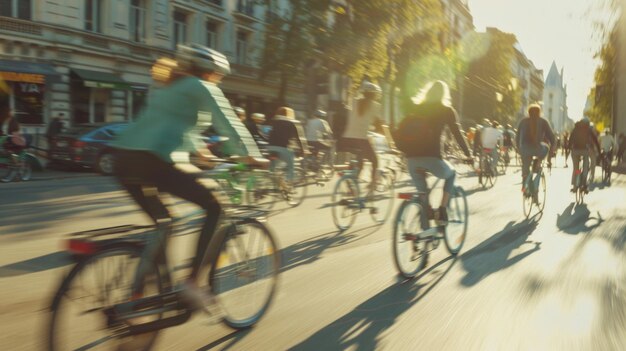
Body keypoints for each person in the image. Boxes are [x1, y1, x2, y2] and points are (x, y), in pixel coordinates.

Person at [111, 44, 263, 310]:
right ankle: (192, 283)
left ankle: (139, 295)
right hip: (153, 160)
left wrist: (200, 151)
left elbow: (176, 123)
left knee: (164, 223)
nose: (219, 80)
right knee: (215, 206)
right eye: (219, 76)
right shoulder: (202, 86)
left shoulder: (171, 89)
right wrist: (249, 155)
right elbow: (228, 121)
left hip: (123, 159)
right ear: (212, 72)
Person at [396, 80, 472, 224]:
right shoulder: (447, 110)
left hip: (411, 160)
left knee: (423, 196)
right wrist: (468, 154)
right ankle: (442, 210)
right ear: (444, 94)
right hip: (432, 159)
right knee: (452, 174)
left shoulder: (416, 107)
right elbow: (457, 134)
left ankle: (423, 234)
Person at [337, 82, 383, 189]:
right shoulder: (376, 105)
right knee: (375, 161)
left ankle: (350, 181)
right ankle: (372, 184)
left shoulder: (354, 101)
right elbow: (379, 124)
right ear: (375, 95)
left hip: (346, 139)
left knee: (360, 161)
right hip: (361, 139)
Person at [515, 104, 556, 193]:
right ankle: (538, 163)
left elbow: (517, 137)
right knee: (546, 147)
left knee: (525, 168)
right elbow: (551, 137)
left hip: (524, 149)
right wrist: (552, 148)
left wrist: (518, 149)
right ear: (539, 112)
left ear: (528, 112)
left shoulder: (523, 121)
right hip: (538, 149)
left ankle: (524, 186)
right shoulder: (543, 121)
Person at [267, 106, 308, 184]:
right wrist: (302, 150)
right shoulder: (292, 123)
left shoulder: (273, 122)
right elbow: (298, 138)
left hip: (270, 147)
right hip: (283, 148)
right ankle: (288, 183)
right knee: (290, 165)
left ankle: (270, 180)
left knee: (272, 166)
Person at [567, 117, 600, 193]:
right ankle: (584, 184)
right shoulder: (588, 129)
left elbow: (570, 139)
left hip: (575, 151)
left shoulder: (576, 129)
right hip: (585, 151)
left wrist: (569, 149)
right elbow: (595, 140)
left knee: (576, 168)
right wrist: (599, 151)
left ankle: (575, 186)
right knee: (586, 166)